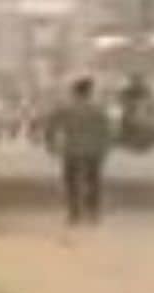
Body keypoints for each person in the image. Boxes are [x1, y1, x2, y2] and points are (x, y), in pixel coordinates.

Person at [45, 78, 113, 225]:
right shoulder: (98, 109)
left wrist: (51, 145)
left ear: (74, 92)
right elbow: (107, 131)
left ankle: (74, 213)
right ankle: (93, 212)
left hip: (72, 149)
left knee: (71, 182)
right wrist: (105, 148)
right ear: (90, 92)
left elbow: (51, 127)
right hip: (94, 150)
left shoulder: (65, 109)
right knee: (94, 181)